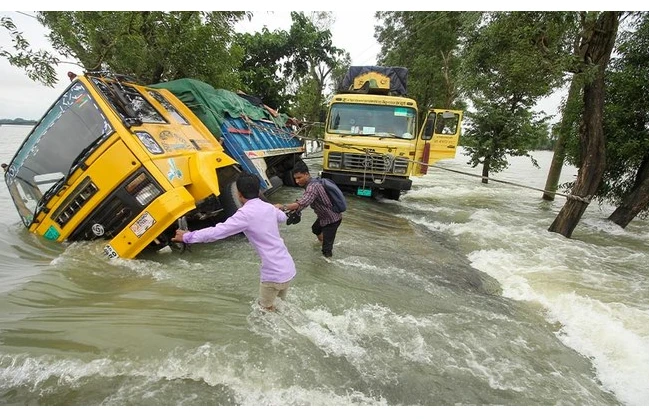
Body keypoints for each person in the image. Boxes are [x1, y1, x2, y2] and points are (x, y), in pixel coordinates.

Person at [172, 172, 296, 311]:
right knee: (280, 308)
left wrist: (187, 237)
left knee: (265, 312)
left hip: (273, 274)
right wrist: (275, 207)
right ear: (258, 190)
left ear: (239, 194)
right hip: (288, 268)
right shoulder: (268, 208)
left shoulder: (244, 214)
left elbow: (217, 232)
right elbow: (283, 218)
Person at [275, 162, 342, 259]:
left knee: (327, 251)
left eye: (299, 178)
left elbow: (302, 202)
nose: (297, 181)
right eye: (295, 178)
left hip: (332, 219)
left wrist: (282, 206)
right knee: (316, 229)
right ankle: (323, 242)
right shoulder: (311, 183)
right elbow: (306, 200)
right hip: (323, 217)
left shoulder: (312, 187)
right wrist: (296, 210)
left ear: (307, 174)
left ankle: (327, 262)